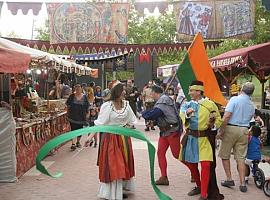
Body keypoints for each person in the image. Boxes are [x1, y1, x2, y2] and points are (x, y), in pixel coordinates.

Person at [180, 80, 223, 200]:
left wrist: (213, 122)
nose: (190, 93)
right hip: (191, 139)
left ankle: (204, 195)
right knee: (191, 165)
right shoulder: (186, 104)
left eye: (192, 90)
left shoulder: (210, 104)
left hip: (205, 139)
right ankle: (199, 186)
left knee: (205, 165)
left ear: (199, 91)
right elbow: (182, 115)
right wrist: (187, 114)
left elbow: (219, 119)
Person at [94, 81, 136, 200]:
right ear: (116, 92)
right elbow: (100, 123)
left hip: (124, 138)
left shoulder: (126, 104)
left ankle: (120, 190)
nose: (124, 92)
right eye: (122, 90)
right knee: (114, 165)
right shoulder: (107, 106)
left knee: (124, 164)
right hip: (111, 139)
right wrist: (90, 136)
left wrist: (128, 128)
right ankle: (110, 193)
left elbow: (132, 120)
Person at [217, 82, 255, 193]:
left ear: (241, 89)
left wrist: (221, 130)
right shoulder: (252, 105)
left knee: (225, 154)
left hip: (231, 128)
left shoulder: (234, 99)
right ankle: (242, 183)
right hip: (244, 130)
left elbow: (227, 115)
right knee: (241, 158)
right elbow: (250, 118)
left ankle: (229, 179)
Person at [142, 84, 182, 185]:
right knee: (160, 153)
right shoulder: (162, 101)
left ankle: (194, 172)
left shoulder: (163, 101)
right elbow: (164, 116)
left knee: (178, 155)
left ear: (155, 92)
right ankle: (164, 177)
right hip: (165, 132)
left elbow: (152, 114)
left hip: (172, 131)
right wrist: (155, 123)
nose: (150, 94)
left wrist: (141, 114)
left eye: (151, 92)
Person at [66, 84, 90, 150]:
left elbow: (87, 106)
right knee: (73, 129)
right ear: (75, 89)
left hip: (81, 116)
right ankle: (73, 143)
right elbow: (68, 105)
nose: (78, 90)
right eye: (76, 88)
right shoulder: (72, 96)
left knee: (80, 129)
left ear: (81, 89)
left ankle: (78, 142)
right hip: (72, 116)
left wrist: (88, 113)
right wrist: (67, 113)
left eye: (79, 88)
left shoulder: (84, 97)